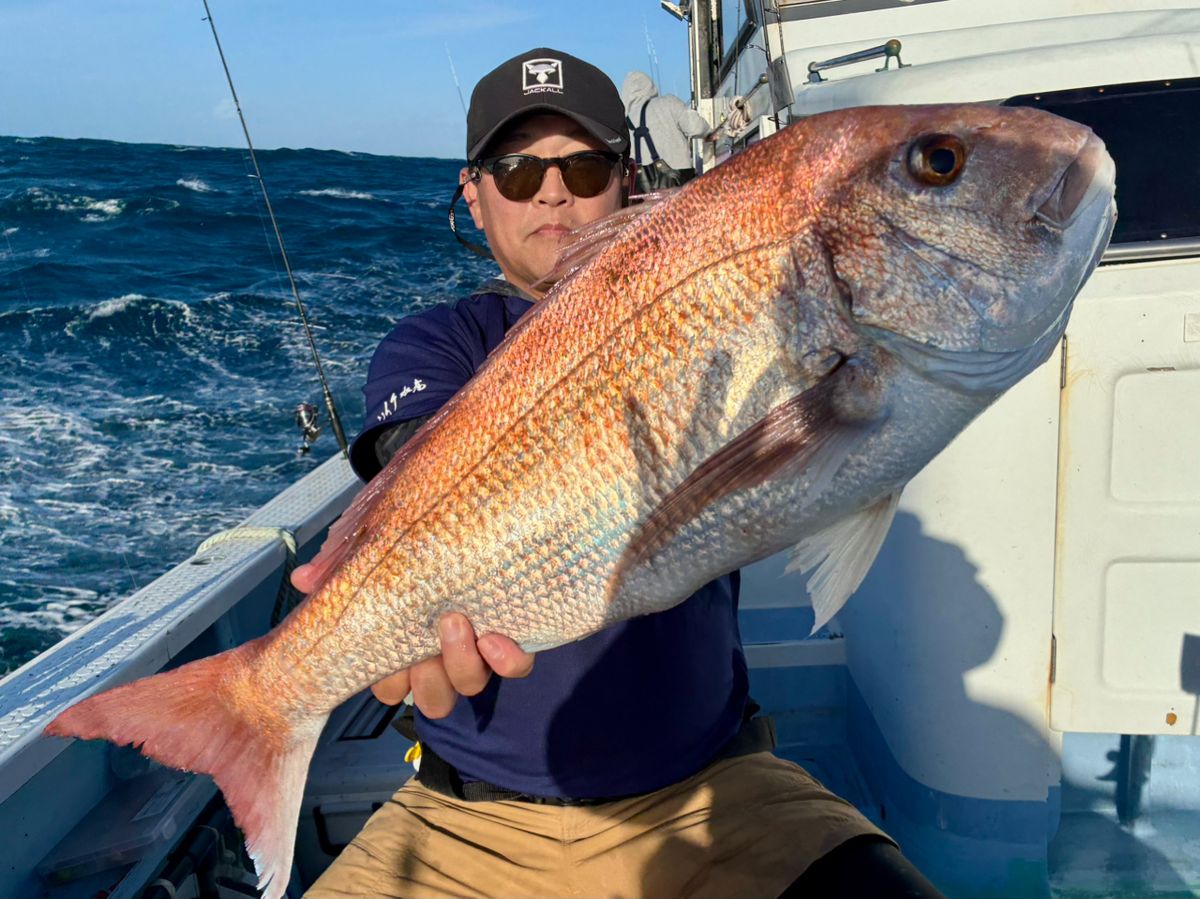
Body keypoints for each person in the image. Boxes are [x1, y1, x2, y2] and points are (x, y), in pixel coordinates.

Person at [302, 47, 944, 899]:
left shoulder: (714, 301)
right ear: (474, 192)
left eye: (584, 164)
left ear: (628, 179)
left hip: (714, 794)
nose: (553, 190)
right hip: (465, 823)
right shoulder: (436, 341)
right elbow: (420, 468)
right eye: (517, 168)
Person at [621, 70, 710, 192]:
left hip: (643, 195)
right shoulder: (668, 103)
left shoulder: (624, 124)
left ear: (625, 95)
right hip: (680, 186)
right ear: (650, 87)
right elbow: (698, 127)